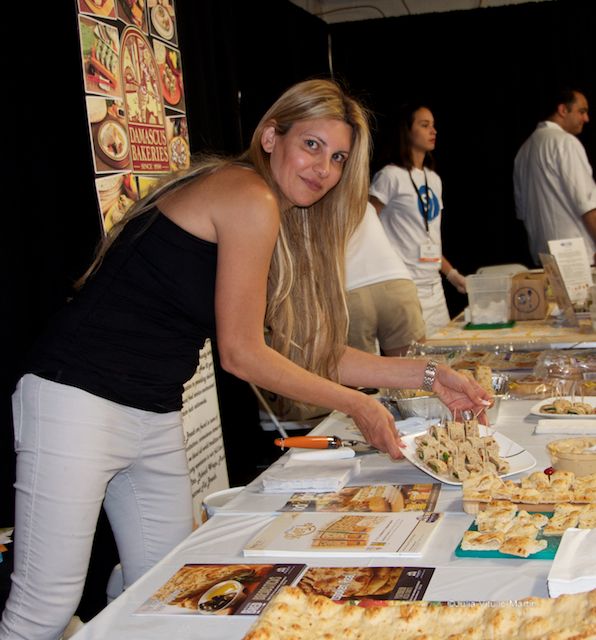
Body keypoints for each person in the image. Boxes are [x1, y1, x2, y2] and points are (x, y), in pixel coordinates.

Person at [0, 79, 491, 640]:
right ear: (269, 135)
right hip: (76, 399)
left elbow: (311, 353)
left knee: (165, 592)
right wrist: (358, 405)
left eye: (337, 158)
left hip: (154, 410)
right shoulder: (247, 195)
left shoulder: (277, 215)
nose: (323, 169)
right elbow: (241, 354)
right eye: (311, 146)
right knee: (44, 609)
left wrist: (430, 376)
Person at [369, 103, 467, 337]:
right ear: (406, 131)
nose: (433, 131)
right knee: (416, 365)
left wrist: (452, 275)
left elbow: (428, 237)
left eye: (433, 126)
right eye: (424, 125)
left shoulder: (433, 179)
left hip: (434, 287)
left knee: (442, 358)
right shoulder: (390, 176)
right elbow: (365, 225)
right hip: (405, 286)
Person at [513, 88, 596, 266]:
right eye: (582, 111)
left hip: (544, 259)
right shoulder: (566, 142)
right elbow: (587, 204)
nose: (586, 119)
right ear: (563, 110)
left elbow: (522, 213)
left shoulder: (523, 151)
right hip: (577, 260)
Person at [345, 201, 425, 356]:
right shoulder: (364, 204)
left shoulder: (308, 207)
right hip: (396, 282)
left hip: (350, 291)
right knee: (417, 369)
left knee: (361, 376)